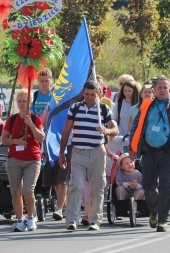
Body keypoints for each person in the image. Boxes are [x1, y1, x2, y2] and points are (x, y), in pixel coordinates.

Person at [129, 76, 170, 233]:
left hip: (168, 152)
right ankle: (154, 211)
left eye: (165, 88)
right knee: (149, 185)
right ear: (154, 90)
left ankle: (162, 219)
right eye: (159, 88)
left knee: (166, 185)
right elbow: (135, 127)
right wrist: (132, 148)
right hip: (149, 151)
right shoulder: (146, 106)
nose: (162, 90)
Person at [59, 80, 119, 231]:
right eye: (86, 94)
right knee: (76, 185)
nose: (89, 97)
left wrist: (106, 131)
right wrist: (61, 153)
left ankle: (95, 220)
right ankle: (72, 220)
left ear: (98, 93)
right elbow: (66, 131)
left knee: (98, 187)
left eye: (92, 94)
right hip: (78, 151)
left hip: (97, 151)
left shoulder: (104, 109)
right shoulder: (75, 108)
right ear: (83, 93)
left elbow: (115, 129)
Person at [1, 89, 45, 232]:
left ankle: (31, 217)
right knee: (15, 192)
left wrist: (31, 125)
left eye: (24, 101)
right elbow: (4, 140)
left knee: (28, 190)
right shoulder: (12, 119)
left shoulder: (35, 118)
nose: (21, 104)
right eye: (19, 101)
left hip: (32, 159)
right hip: (14, 159)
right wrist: (16, 141)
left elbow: (41, 138)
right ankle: (20, 220)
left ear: (30, 102)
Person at [37, 68, 67, 221]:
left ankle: (60, 208)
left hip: (66, 145)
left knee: (62, 178)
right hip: (50, 145)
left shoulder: (70, 107)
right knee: (55, 179)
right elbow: (41, 124)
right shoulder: (49, 107)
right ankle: (63, 203)